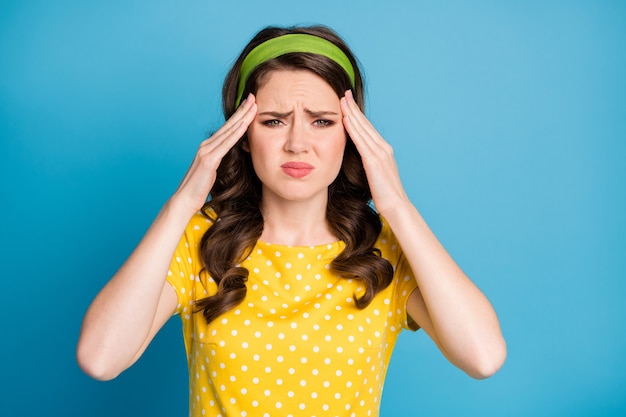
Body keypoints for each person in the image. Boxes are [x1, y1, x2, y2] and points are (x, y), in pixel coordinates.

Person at [77, 25, 506, 416]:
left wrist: (396, 204)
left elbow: (483, 357)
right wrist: (182, 204)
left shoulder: (383, 249)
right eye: (273, 121)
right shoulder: (202, 241)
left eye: (322, 121)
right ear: (243, 136)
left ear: (351, 133)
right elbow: (101, 359)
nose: (297, 143)